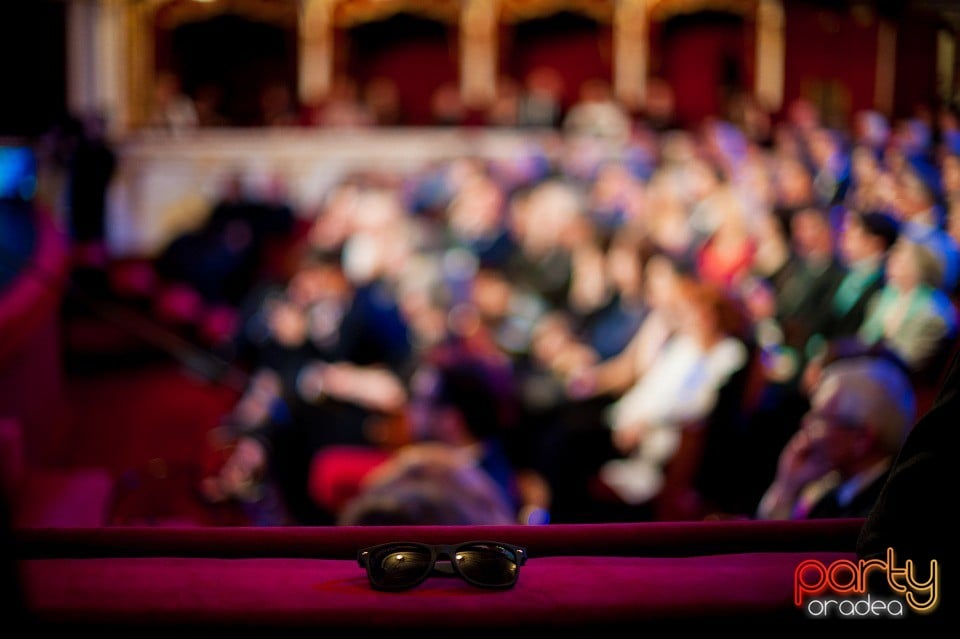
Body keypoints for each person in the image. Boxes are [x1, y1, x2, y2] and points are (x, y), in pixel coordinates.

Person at [756, 355, 916, 520]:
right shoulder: (836, 494)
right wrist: (788, 487)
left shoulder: (887, 509)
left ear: (861, 439)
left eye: (819, 417)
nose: (805, 423)